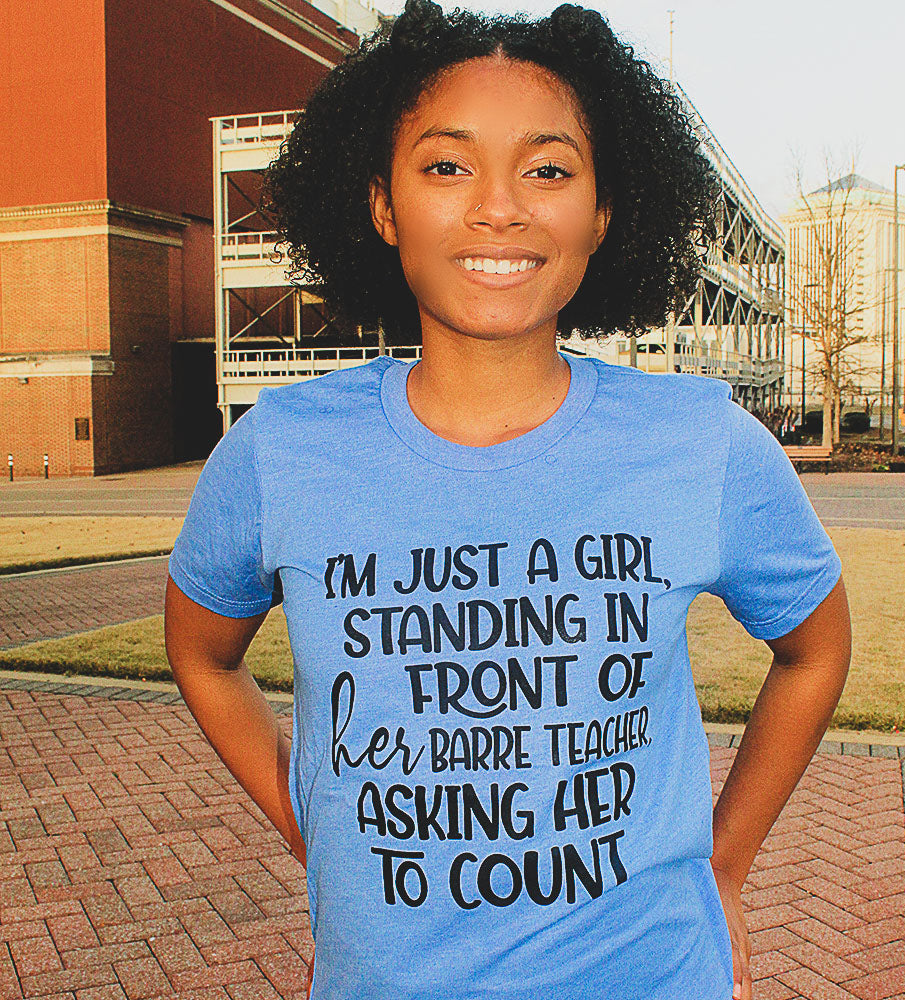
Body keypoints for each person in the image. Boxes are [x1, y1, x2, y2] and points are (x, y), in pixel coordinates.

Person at [163, 3, 852, 999]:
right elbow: (200, 651)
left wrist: (726, 862)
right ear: (383, 206)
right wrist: (311, 823)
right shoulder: (282, 449)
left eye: (548, 170)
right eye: (448, 166)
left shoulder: (703, 443)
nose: (500, 207)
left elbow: (815, 649)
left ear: (602, 213)